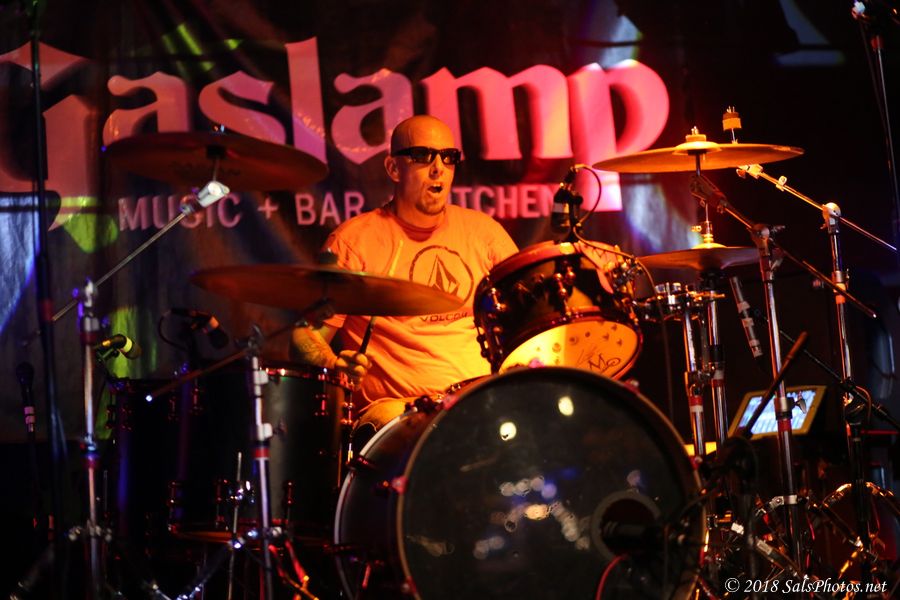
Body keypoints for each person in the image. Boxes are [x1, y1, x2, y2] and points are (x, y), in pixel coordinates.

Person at [291, 114, 518, 432]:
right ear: (393, 169)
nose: (438, 168)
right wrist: (333, 365)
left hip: (478, 402)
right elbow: (304, 335)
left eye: (448, 157)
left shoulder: (484, 233)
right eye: (423, 156)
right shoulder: (354, 241)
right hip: (398, 417)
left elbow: (527, 315)